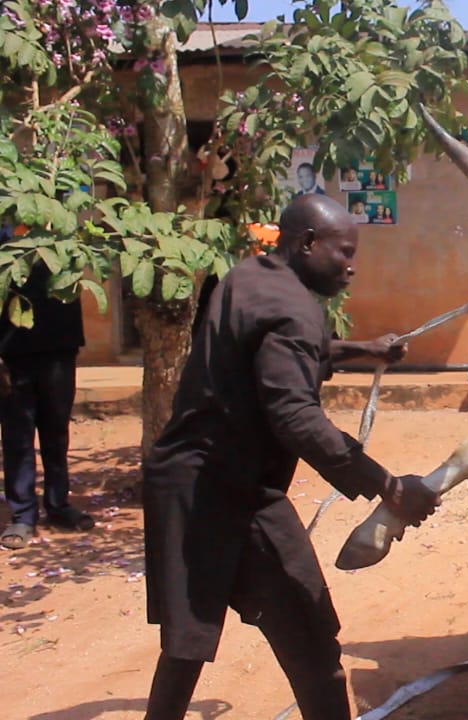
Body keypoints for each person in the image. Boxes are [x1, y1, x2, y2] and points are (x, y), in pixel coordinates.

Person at [141, 195, 439, 720]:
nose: (352, 266)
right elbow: (296, 418)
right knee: (312, 642)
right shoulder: (295, 310)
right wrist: (390, 487)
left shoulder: (249, 277)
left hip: (184, 481)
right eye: (344, 252)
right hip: (233, 493)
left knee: (186, 641)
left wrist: (365, 349)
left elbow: (279, 346)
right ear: (308, 243)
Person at [0, 223, 94, 550]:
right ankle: (22, 514)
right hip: (12, 352)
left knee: (56, 432)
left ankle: (58, 505)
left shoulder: (66, 233)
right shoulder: (4, 232)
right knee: (17, 437)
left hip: (60, 348)